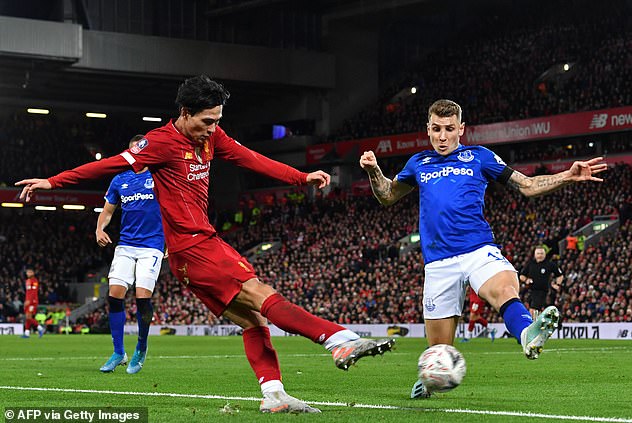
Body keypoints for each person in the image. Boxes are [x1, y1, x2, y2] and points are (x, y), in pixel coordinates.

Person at [16, 75, 394, 413]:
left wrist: (299, 176)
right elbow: (111, 164)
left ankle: (274, 394)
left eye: (217, 120)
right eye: (207, 121)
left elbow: (250, 158)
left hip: (190, 252)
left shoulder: (212, 137)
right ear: (185, 113)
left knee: (252, 320)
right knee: (260, 293)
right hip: (194, 246)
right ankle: (337, 339)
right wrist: (54, 182)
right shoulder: (160, 142)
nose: (213, 128)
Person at [359, 99, 607, 399]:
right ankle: (429, 380)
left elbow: (527, 185)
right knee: (439, 352)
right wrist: (373, 170)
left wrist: (567, 175)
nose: (442, 136)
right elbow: (387, 195)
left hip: (478, 249)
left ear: (461, 129)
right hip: (438, 263)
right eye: (436, 129)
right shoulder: (418, 163)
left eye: (449, 129)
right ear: (428, 129)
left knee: (503, 288)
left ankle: (527, 332)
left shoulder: (479, 157)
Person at [96, 135, 165, 374]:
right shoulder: (119, 180)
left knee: (142, 297)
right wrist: (99, 229)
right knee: (114, 295)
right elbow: (107, 211)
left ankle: (141, 347)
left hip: (152, 245)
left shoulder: (159, 177)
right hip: (126, 245)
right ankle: (118, 352)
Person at [519, 246, 564, 320]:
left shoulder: (549, 264)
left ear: (545, 254)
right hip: (531, 291)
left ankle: (534, 324)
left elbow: (560, 275)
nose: (540, 255)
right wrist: (526, 279)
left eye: (542, 253)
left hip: (542, 291)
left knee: (534, 310)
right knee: (533, 310)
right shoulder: (531, 264)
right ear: (535, 254)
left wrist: (557, 284)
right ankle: (538, 323)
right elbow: (521, 276)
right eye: (538, 253)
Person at [22, 268, 43, 338]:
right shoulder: (27, 281)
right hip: (28, 301)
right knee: (28, 317)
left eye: (30, 272)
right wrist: (26, 300)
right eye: (27, 272)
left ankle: (40, 328)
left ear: (33, 273)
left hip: (33, 301)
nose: (28, 273)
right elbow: (28, 292)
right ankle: (27, 333)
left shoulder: (34, 281)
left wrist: (29, 300)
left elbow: (34, 292)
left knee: (28, 316)